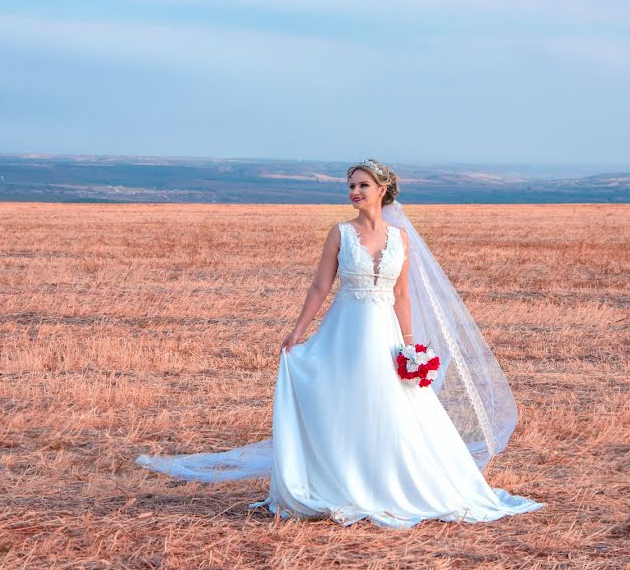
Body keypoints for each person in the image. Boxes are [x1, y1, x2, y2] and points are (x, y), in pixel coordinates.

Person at [136, 159, 544, 529]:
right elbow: (320, 286)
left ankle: (389, 481)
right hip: (344, 331)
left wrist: (410, 346)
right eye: (350, 185)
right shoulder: (340, 233)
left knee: (390, 406)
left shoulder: (401, 238)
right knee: (343, 401)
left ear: (382, 189)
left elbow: (402, 296)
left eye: (363, 185)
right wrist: (298, 331)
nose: (354, 192)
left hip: (384, 334)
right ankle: (337, 478)